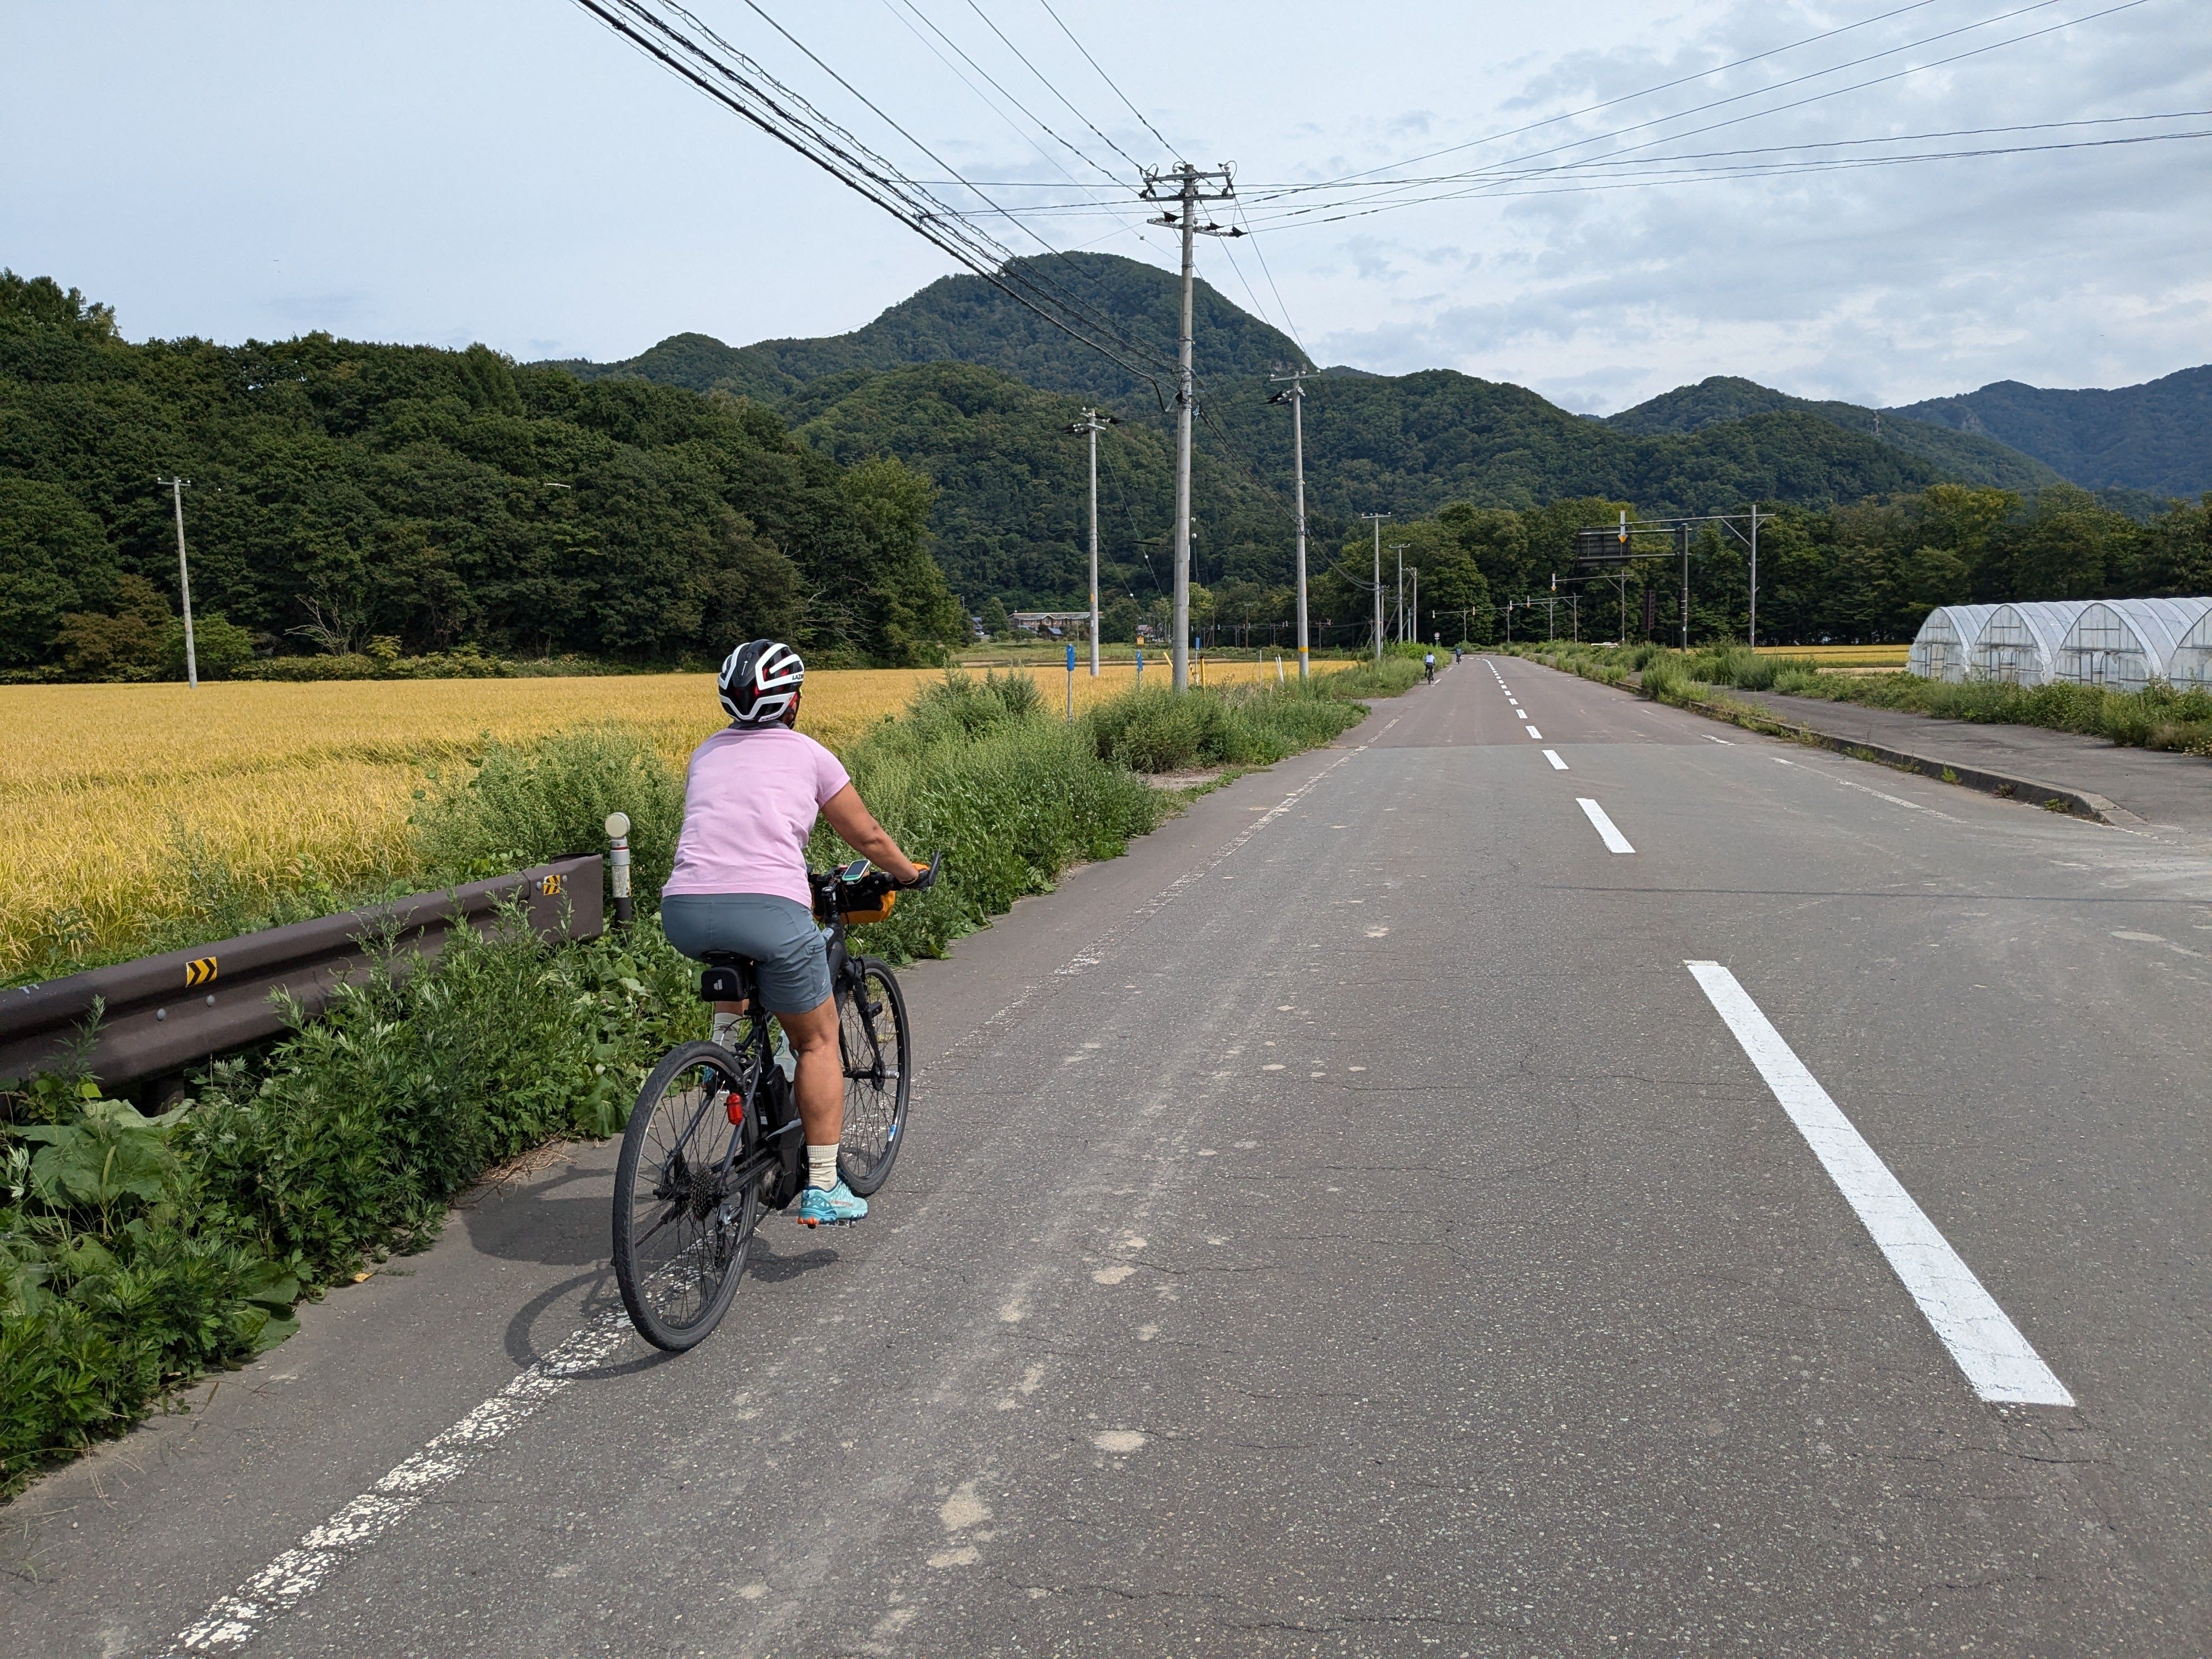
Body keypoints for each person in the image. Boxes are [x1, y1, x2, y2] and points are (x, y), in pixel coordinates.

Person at [659, 640, 927, 1227]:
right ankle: (825, 1186)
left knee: (734, 955)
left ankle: (725, 1054)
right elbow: (870, 837)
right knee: (816, 1040)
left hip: (682, 910)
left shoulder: (705, 754)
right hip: (767, 911)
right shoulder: (810, 755)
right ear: (794, 701)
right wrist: (911, 874)